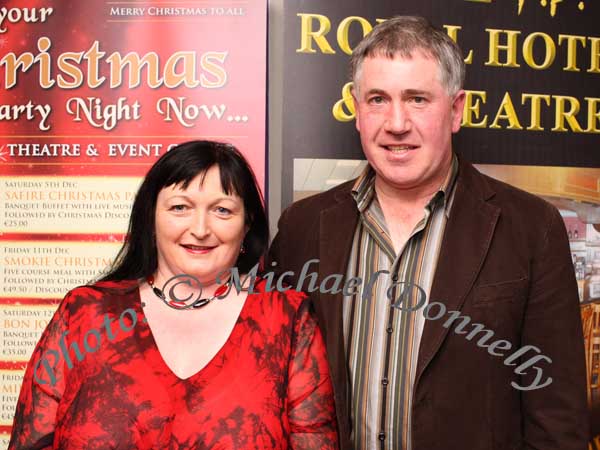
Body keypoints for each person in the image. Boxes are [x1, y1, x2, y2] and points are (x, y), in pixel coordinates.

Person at [268, 16, 588, 450]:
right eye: (378, 99)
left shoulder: (532, 228)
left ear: (455, 110)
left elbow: (558, 417)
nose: (396, 123)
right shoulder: (301, 226)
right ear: (357, 111)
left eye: (417, 99)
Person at [9, 141, 339, 449]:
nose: (199, 229)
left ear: (247, 224)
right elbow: (30, 440)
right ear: (151, 218)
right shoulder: (83, 314)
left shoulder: (286, 318)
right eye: (180, 207)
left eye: (222, 210)